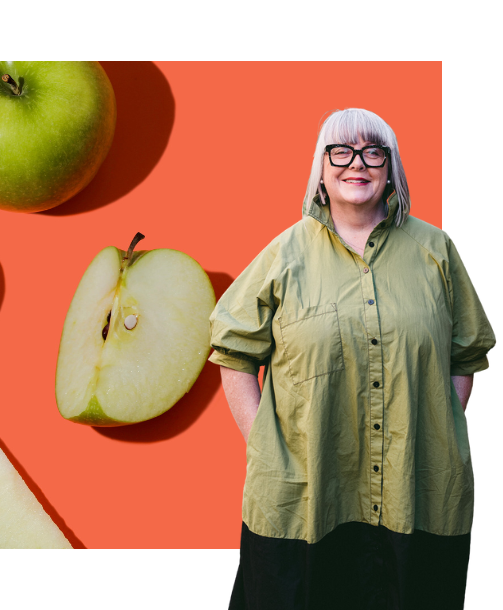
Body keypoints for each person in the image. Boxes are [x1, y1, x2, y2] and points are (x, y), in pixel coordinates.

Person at [208, 108, 495, 610]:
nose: (356, 163)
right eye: (340, 151)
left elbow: (463, 354)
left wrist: (433, 429)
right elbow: (233, 351)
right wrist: (265, 445)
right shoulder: (286, 253)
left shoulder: (436, 251)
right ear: (321, 169)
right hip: (306, 495)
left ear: (392, 168)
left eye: (372, 152)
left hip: (418, 492)